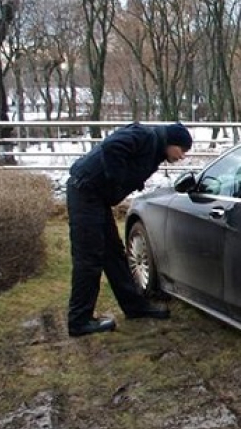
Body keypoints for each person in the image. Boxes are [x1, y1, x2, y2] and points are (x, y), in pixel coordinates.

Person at [65, 122, 193, 337]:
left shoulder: (155, 149)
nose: (182, 156)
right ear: (171, 142)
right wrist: (118, 182)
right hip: (85, 192)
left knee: (114, 254)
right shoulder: (144, 136)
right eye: (182, 150)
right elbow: (111, 148)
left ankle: (135, 307)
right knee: (89, 257)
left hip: (97, 198)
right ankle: (79, 321)